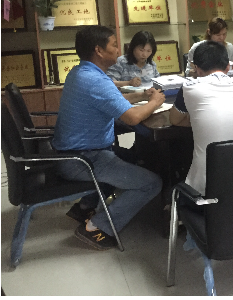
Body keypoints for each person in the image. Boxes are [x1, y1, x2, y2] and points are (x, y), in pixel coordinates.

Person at [53, 25, 165, 250]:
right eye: (114, 45)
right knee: (151, 183)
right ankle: (97, 227)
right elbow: (132, 118)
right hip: (83, 159)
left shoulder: (81, 72)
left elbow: (112, 100)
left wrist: (142, 96)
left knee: (131, 155)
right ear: (99, 50)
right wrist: (154, 102)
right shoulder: (96, 80)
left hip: (76, 153)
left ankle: (85, 207)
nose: (118, 49)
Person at [169, 41, 233, 195]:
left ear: (197, 69)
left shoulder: (189, 88)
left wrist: (198, 120)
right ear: (228, 67)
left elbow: (174, 120)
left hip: (205, 191)